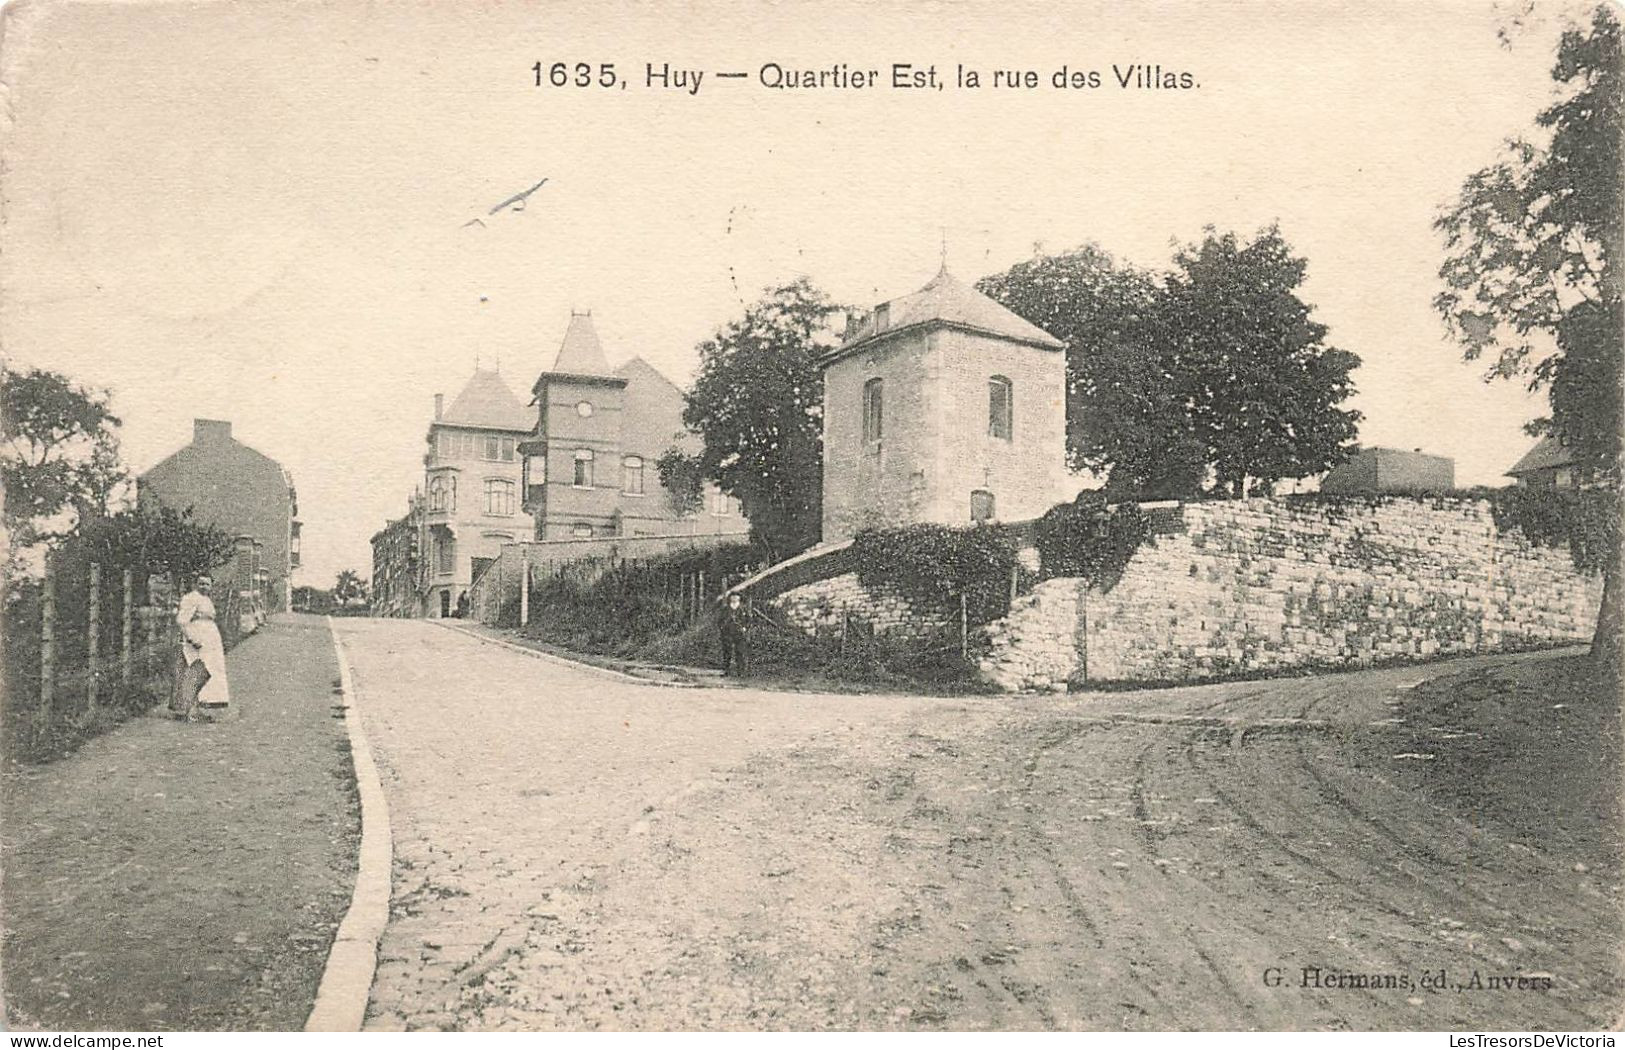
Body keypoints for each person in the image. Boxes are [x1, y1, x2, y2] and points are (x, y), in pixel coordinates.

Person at [174, 574, 230, 721]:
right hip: (198, 641)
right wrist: (192, 638)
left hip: (210, 643)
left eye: (207, 584)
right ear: (195, 584)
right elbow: (182, 621)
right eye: (201, 583)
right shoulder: (191, 598)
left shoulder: (207, 600)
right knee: (197, 672)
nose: (204, 587)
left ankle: (197, 709)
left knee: (208, 673)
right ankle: (189, 711)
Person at [718, 592, 749, 677]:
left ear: (739, 598)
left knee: (740, 652)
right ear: (730, 598)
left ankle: (741, 672)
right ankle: (726, 671)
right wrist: (722, 629)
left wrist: (745, 628)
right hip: (727, 633)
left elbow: (748, 620)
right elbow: (720, 620)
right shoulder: (726, 609)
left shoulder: (743, 609)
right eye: (733, 597)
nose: (734, 598)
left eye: (736, 596)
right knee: (727, 652)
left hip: (739, 633)